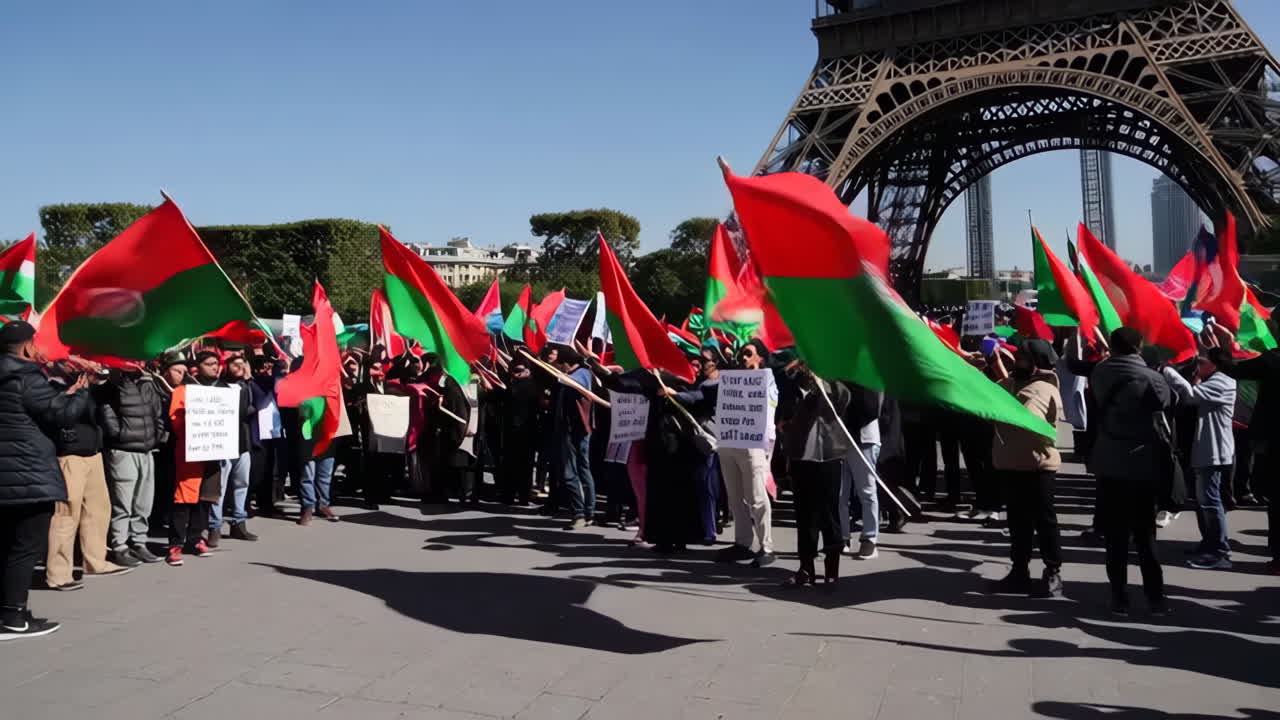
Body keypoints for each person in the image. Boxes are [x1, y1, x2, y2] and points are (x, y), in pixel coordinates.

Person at [0, 320, 92, 639]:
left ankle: (10, 610)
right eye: (36, 342)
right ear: (27, 346)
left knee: (8, 546)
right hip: (28, 474)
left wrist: (64, 395)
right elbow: (60, 414)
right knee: (25, 548)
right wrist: (81, 392)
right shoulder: (26, 376)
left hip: (8, 475)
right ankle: (13, 617)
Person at [1090, 328, 1173, 614]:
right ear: (1139, 347)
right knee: (1145, 536)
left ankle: (1119, 597)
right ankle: (1155, 597)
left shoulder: (1100, 373)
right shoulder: (1152, 378)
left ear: (1113, 347)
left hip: (1109, 463)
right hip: (1142, 463)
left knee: (1115, 537)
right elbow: (1166, 403)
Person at [45, 363, 133, 590]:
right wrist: (80, 389)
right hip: (68, 456)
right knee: (66, 514)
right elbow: (66, 416)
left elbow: (112, 395)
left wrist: (103, 375)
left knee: (98, 510)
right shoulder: (53, 385)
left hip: (92, 454)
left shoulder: (88, 385)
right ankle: (58, 573)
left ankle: (95, 561)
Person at [988, 339, 1065, 598]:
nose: (1017, 360)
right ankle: (1019, 571)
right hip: (1011, 465)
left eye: (1022, 358)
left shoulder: (1045, 388)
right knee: (1017, 522)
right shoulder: (1009, 384)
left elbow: (1028, 415)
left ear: (1036, 363)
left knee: (1045, 521)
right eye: (1017, 356)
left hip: (1038, 467)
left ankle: (1052, 571)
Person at [1207, 324, 1280, 575]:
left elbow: (1234, 370)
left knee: (1275, 497)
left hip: (1274, 440)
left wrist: (1218, 350)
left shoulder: (1273, 360)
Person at [1163, 348, 1236, 570]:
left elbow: (1190, 395)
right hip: (1206, 450)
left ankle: (1219, 551)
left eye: (1202, 362)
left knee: (1211, 502)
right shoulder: (1212, 381)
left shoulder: (1222, 382)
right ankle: (1209, 544)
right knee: (1204, 502)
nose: (1198, 366)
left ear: (1215, 364)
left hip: (1214, 452)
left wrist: (1168, 371)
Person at [778, 367, 851, 589]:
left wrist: (823, 381)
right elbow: (783, 414)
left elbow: (843, 399)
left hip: (828, 457)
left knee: (829, 514)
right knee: (804, 516)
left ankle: (831, 570)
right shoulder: (792, 385)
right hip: (800, 458)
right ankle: (806, 568)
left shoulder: (833, 385)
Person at [712, 340, 775, 566]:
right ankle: (743, 542)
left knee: (756, 497)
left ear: (761, 358)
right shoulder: (731, 379)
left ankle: (766, 546)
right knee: (735, 497)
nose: (743, 358)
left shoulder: (768, 380)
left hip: (752, 444)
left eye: (748, 354)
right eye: (741, 354)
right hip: (729, 441)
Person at [100, 363, 168, 565]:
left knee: (143, 502)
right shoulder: (114, 383)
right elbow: (106, 411)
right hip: (124, 450)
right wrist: (118, 434)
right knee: (123, 501)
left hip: (147, 450)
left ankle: (139, 542)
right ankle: (119, 545)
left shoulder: (148, 383)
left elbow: (158, 413)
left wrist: (157, 437)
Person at [166, 352, 223, 565]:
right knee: (183, 499)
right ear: (197, 368)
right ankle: (175, 545)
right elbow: (176, 422)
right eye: (210, 364)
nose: (215, 367)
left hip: (213, 451)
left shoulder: (219, 391)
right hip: (189, 452)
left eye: (217, 364)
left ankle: (196, 538)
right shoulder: (183, 391)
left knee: (205, 498)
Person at [211, 354, 257, 544]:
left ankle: (239, 522)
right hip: (224, 442)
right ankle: (214, 526)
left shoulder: (245, 386)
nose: (239, 367)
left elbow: (254, 406)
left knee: (242, 484)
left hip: (243, 442)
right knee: (220, 488)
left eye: (242, 364)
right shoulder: (217, 387)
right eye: (235, 364)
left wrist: (250, 379)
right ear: (226, 366)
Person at [555, 349, 597, 530]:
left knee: (572, 472)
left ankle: (582, 513)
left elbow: (577, 383)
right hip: (570, 429)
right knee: (578, 470)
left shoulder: (583, 373)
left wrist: (562, 377)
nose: (559, 368)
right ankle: (585, 512)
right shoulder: (575, 374)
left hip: (578, 429)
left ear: (567, 363)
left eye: (560, 364)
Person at [840, 381, 883, 560]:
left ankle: (870, 539)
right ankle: (842, 537)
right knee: (839, 493)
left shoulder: (868, 376)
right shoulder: (837, 374)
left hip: (863, 438)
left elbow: (872, 408)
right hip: (839, 439)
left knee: (866, 491)